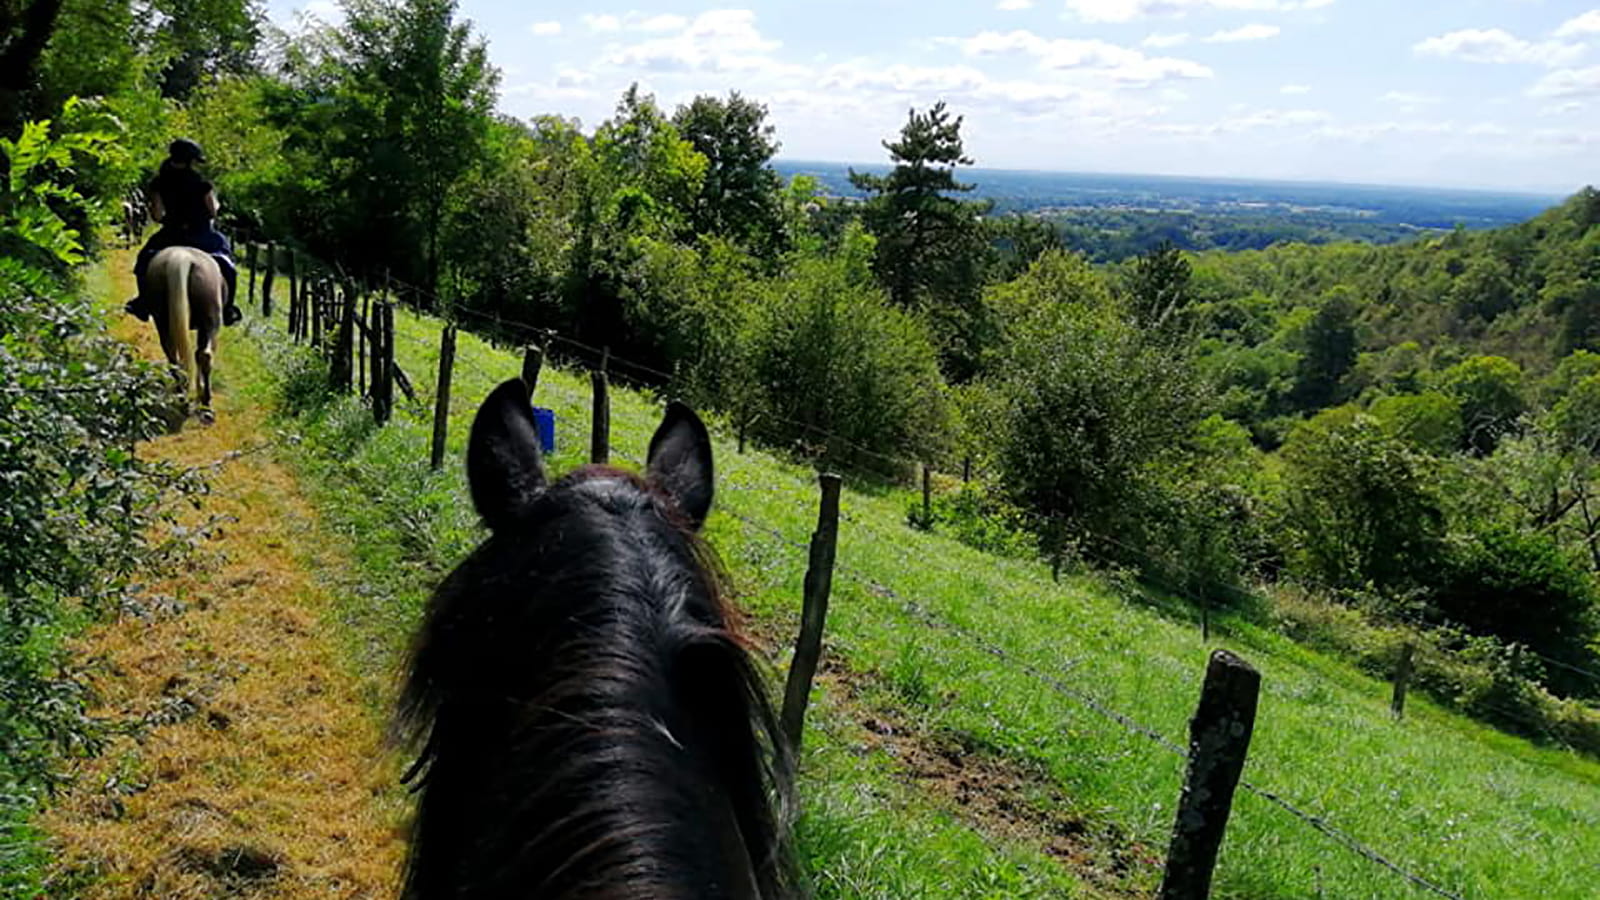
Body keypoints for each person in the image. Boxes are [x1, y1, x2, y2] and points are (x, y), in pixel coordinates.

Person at [125, 139, 241, 326]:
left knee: (144, 262)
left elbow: (157, 214)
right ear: (190, 160)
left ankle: (142, 303)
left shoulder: (158, 182)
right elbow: (212, 211)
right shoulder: (202, 183)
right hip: (202, 235)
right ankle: (228, 309)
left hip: (170, 235)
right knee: (228, 267)